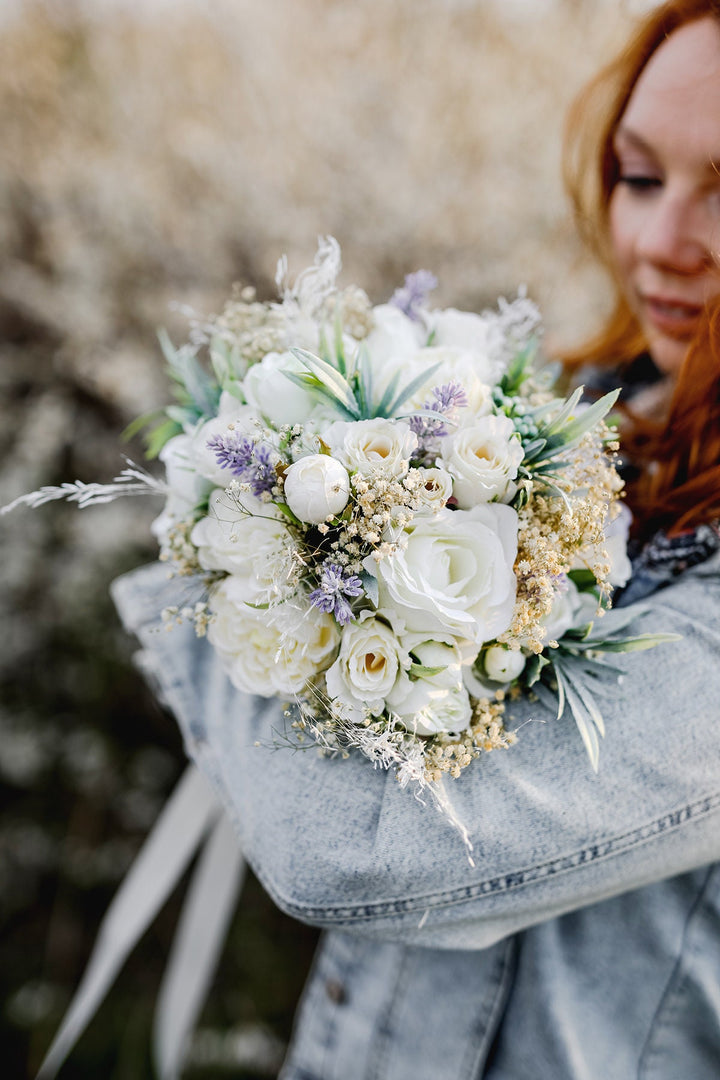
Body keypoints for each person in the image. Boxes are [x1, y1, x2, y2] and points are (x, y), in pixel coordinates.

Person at [112, 2, 720, 1077]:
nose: (660, 243)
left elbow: (353, 847)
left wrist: (227, 584)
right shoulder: (578, 416)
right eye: (638, 176)